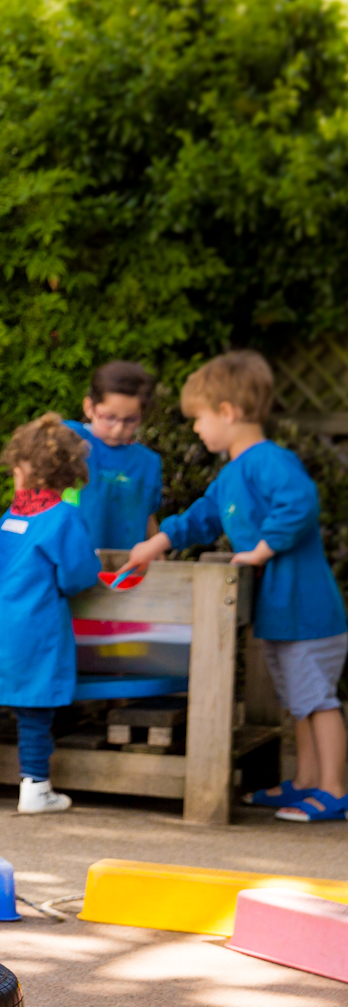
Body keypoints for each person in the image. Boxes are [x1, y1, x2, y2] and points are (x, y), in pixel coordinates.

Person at [120, 351, 348, 823]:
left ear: (227, 411)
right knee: (298, 702)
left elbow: (300, 502)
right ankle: (306, 783)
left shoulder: (269, 461)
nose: (197, 429)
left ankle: (334, 788)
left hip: (309, 612)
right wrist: (155, 543)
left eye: (200, 418)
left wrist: (262, 549)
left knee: (317, 700)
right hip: (284, 615)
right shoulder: (232, 474)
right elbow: (201, 516)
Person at [0, 415, 101, 813]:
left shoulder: (12, 515)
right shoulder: (63, 517)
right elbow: (78, 575)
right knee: (35, 712)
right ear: (69, 473)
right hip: (36, 630)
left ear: (22, 470)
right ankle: (35, 787)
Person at [66, 361, 164, 549]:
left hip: (123, 568)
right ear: (89, 408)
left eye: (130, 420)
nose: (119, 429)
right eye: (109, 417)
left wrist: (156, 550)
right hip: (73, 561)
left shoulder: (147, 462)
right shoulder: (71, 439)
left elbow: (147, 513)